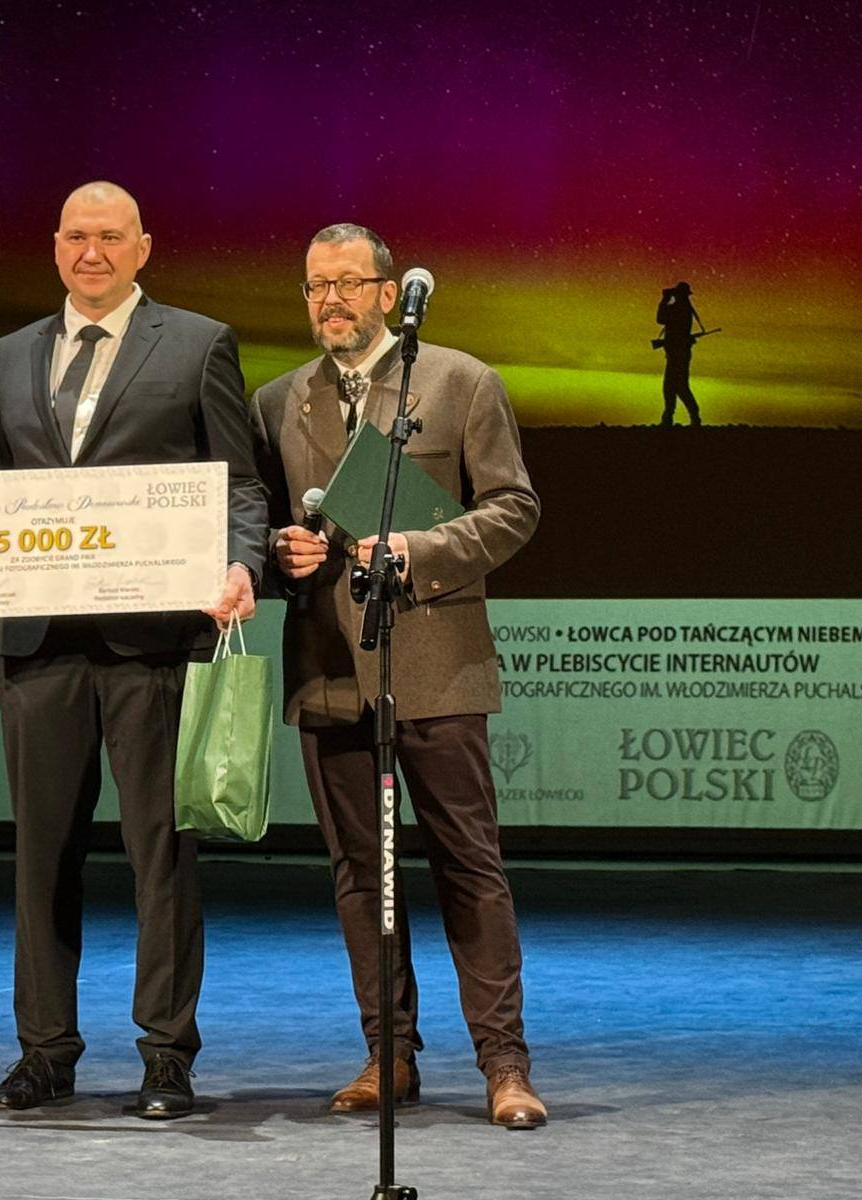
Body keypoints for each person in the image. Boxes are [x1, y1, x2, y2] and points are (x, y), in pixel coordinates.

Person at [0, 181, 267, 1120]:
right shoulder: (12, 354)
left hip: (155, 644)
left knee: (161, 858)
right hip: (38, 645)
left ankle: (166, 1057)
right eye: (76, 236)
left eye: (110, 236)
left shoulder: (197, 343)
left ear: (144, 247)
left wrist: (242, 564)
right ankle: (43, 1053)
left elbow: (240, 484)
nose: (91, 252)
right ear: (55, 246)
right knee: (40, 859)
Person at [250, 224, 547, 1129]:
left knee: (469, 865)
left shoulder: (459, 381)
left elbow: (514, 508)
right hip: (329, 669)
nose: (330, 301)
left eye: (347, 284)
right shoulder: (278, 400)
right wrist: (283, 553)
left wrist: (419, 548)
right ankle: (389, 1054)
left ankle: (504, 1064)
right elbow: (260, 528)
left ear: (388, 293)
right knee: (360, 872)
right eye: (315, 286)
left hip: (437, 663)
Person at [656, 281, 703, 426]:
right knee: (675, 386)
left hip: (678, 354)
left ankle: (678, 417)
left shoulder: (679, 309)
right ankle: (675, 417)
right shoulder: (682, 309)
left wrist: (664, 300)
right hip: (678, 353)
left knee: (676, 386)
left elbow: (660, 319)